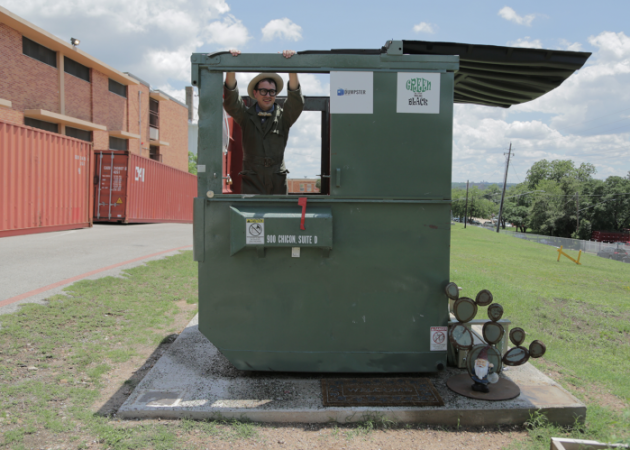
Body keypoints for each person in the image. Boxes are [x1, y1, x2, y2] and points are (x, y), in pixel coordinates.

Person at [223, 49, 304, 195]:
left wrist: (292, 66)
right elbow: (231, 101)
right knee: (251, 217)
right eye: (263, 91)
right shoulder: (245, 117)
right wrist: (231, 66)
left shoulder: (284, 118)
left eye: (272, 91)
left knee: (278, 216)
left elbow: (296, 103)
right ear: (255, 93)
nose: (268, 95)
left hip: (277, 181)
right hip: (252, 180)